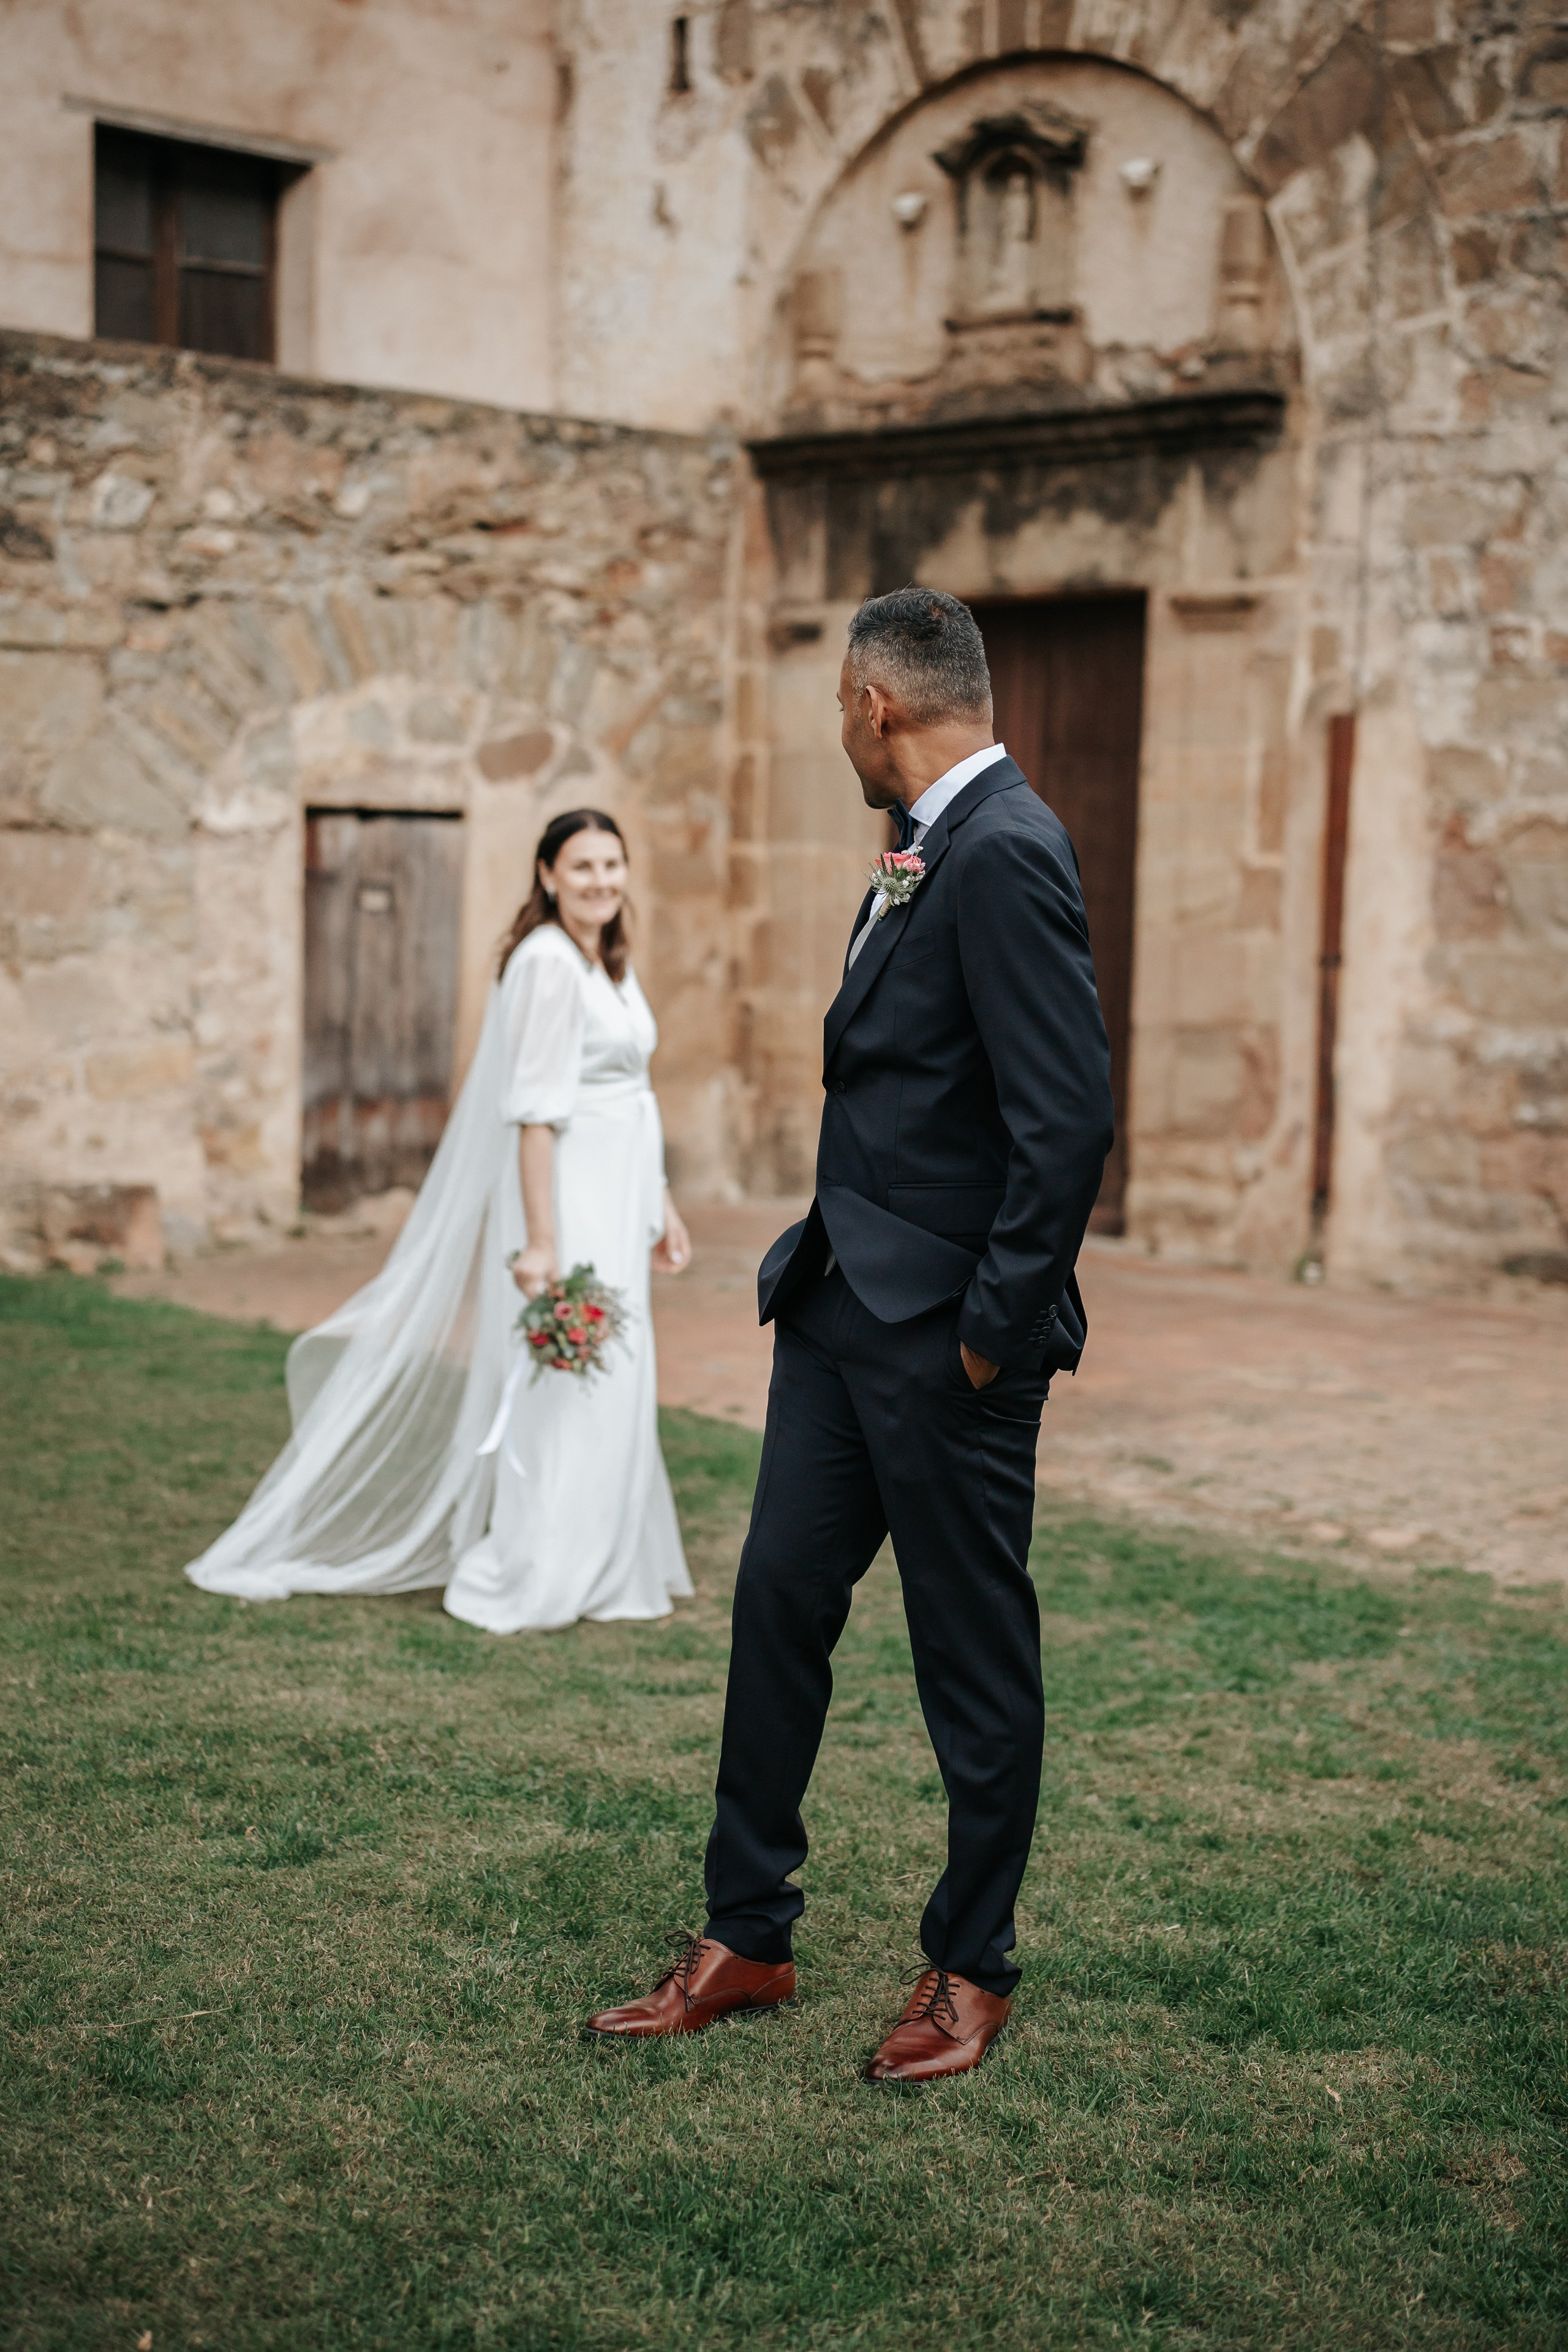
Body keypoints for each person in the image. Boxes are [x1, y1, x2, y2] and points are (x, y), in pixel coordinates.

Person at [586, 589, 1114, 2081]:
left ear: (879, 703)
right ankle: (747, 1931)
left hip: (945, 1338)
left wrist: (984, 1336)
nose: (836, 725)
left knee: (969, 1656)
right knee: (776, 1608)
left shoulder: (1004, 848)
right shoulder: (921, 845)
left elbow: (1064, 1123)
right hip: (833, 1309)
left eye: (838, 702)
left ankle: (971, 1968)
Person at [186, 808, 693, 1635]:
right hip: (565, 1200)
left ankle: (602, 1561)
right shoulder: (544, 964)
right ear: (547, 876)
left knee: (616, 1383)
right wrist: (541, 1242)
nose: (601, 881)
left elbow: (634, 1091)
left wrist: (659, 1202)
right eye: (583, 867)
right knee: (570, 1388)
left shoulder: (607, 959)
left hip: (618, 1192)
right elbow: (533, 1114)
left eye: (612, 865)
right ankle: (542, 1566)